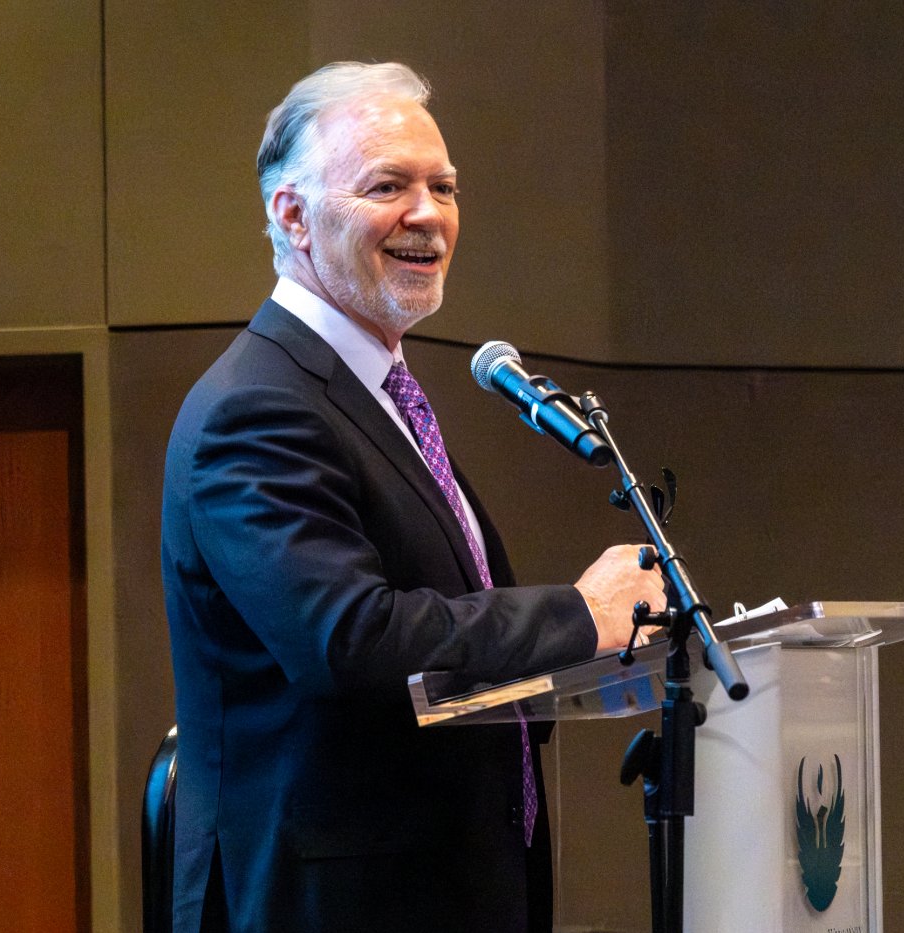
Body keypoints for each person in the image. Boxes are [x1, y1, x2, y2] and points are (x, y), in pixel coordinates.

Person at [160, 61, 665, 933]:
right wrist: (582, 617)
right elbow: (351, 641)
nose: (428, 213)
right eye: (387, 186)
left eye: (445, 187)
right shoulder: (257, 408)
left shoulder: (376, 395)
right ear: (293, 216)